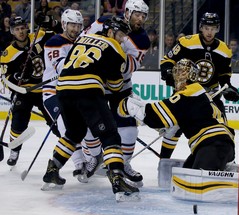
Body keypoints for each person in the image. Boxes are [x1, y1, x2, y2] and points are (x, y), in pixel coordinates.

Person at [41, 16, 140, 202]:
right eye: (119, 34)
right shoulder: (114, 46)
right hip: (87, 90)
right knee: (110, 135)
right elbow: (116, 85)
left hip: (62, 90)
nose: (121, 39)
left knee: (73, 132)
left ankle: (52, 170)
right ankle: (118, 179)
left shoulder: (82, 39)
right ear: (110, 31)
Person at [118, 58, 235, 171]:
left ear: (190, 75)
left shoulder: (185, 95)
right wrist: (164, 158)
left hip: (212, 146)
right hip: (217, 145)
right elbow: (173, 130)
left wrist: (127, 105)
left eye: (181, 72)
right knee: (183, 175)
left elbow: (152, 117)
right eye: (177, 72)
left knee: (195, 186)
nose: (177, 76)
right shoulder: (200, 93)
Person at [81, 0, 150, 186]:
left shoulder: (142, 38)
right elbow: (83, 39)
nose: (140, 19)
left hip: (121, 86)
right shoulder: (104, 21)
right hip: (97, 84)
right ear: (127, 12)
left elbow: (130, 67)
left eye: (143, 16)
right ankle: (94, 159)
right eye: (137, 14)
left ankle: (124, 163)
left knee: (128, 127)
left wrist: (113, 54)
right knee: (88, 122)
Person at [159, 12, 239, 159]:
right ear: (201, 27)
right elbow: (167, 60)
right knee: (173, 127)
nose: (209, 32)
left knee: (223, 127)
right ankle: (163, 160)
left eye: (213, 28)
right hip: (186, 93)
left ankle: (226, 159)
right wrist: (168, 72)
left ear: (217, 29)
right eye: (207, 28)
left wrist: (228, 88)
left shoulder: (224, 50)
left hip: (211, 96)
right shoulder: (186, 42)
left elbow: (224, 76)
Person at [42, 9, 100, 183]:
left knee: (87, 126)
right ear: (64, 25)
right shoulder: (55, 42)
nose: (75, 29)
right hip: (54, 92)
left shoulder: (83, 42)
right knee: (66, 130)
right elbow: (61, 67)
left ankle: (96, 157)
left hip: (75, 92)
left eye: (78, 25)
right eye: (72, 25)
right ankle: (79, 164)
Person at [0, 16, 57, 166]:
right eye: (17, 29)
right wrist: (16, 77)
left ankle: (72, 147)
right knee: (18, 121)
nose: (21, 31)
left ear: (27, 28)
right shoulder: (8, 54)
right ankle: (15, 150)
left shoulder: (38, 36)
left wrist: (49, 21)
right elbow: (4, 78)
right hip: (24, 92)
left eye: (22, 28)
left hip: (44, 88)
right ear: (12, 32)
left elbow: (56, 33)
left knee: (57, 121)